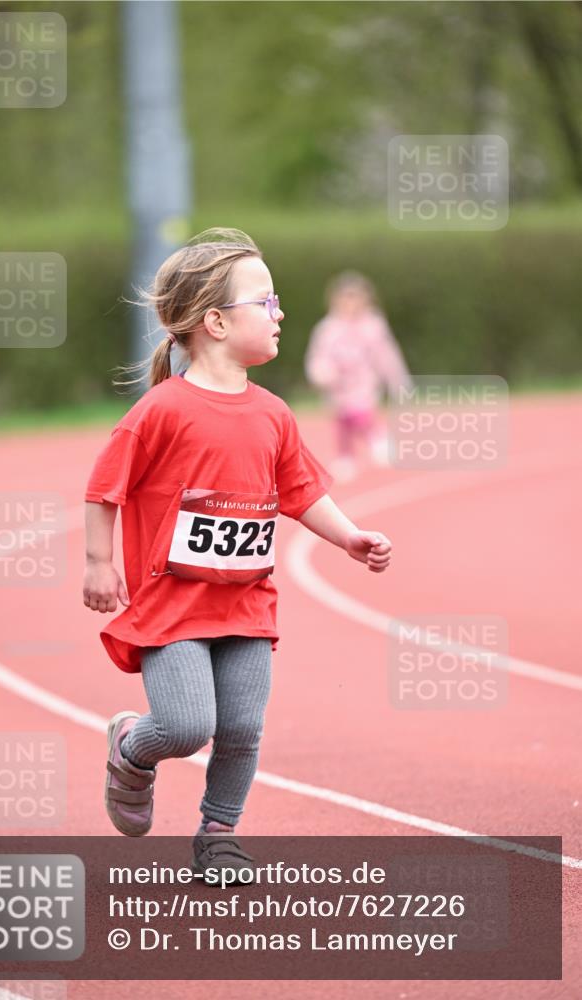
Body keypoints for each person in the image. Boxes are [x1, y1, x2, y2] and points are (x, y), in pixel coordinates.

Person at [83, 229, 392, 882]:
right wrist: (98, 563)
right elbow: (104, 487)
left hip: (246, 602)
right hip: (173, 606)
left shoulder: (273, 415)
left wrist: (349, 536)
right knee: (186, 726)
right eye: (266, 301)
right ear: (216, 322)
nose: (280, 313)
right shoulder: (161, 411)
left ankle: (218, 835)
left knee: (243, 728)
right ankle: (132, 747)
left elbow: (302, 491)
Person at [304, 271, 413, 483]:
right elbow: (318, 356)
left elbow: (387, 355)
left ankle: (378, 438)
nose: (350, 303)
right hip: (337, 387)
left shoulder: (373, 326)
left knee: (361, 413)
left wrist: (398, 380)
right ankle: (345, 456)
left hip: (364, 384)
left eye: (355, 298)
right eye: (345, 298)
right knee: (343, 421)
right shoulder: (327, 329)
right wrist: (321, 373)